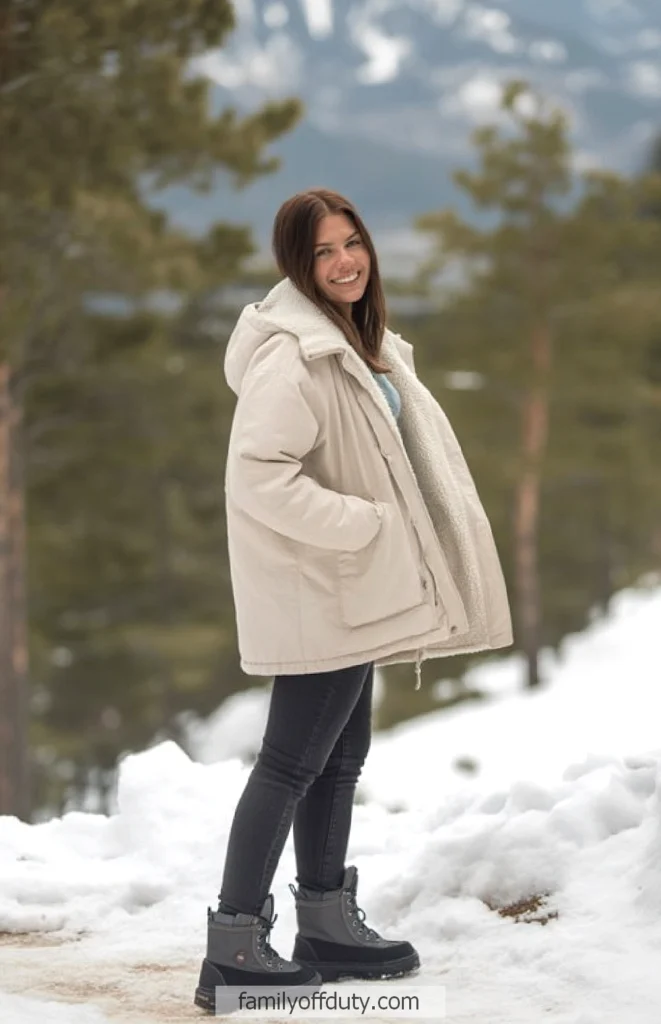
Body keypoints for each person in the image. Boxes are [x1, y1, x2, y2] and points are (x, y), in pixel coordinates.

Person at [193, 189, 513, 1012]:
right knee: (290, 764)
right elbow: (258, 476)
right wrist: (365, 527)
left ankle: (325, 924)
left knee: (336, 761)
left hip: (350, 588)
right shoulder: (293, 354)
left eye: (352, 243)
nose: (344, 261)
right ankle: (234, 944)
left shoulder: (352, 338)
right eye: (324, 252)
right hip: (324, 587)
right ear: (297, 266)